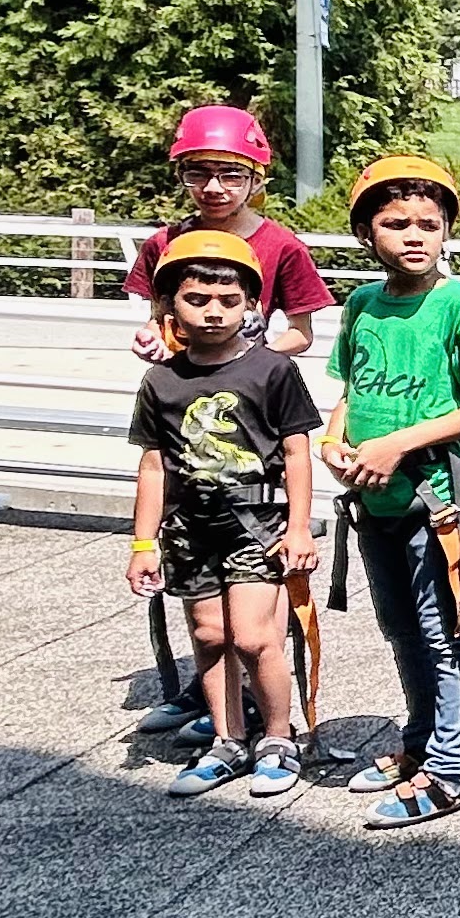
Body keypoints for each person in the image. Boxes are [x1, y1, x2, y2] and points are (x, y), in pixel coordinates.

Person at [326, 156, 460, 829]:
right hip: (372, 497)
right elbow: (351, 389)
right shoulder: (361, 305)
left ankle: (452, 768)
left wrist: (398, 444)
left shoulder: (457, 303)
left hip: (432, 496)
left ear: (447, 233)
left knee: (445, 634)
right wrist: (334, 439)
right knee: (401, 629)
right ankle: (418, 742)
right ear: (363, 232)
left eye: (429, 224)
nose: (414, 236)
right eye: (395, 222)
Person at [124, 232, 324, 800]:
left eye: (228, 301)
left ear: (250, 305)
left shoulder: (271, 371)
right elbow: (154, 467)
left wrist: (300, 526)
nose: (214, 312)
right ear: (169, 307)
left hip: (257, 521)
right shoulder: (161, 380)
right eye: (196, 300)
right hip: (190, 529)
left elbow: (295, 452)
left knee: (256, 637)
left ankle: (279, 739)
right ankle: (227, 739)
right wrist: (143, 543)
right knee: (210, 636)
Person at [125, 109, 331, 364]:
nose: (213, 188)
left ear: (256, 181)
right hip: (175, 383)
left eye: (231, 176)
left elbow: (300, 333)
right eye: (197, 174)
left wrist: (246, 363)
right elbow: (160, 320)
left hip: (246, 388)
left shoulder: (284, 248)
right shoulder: (163, 244)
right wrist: (151, 341)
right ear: (181, 176)